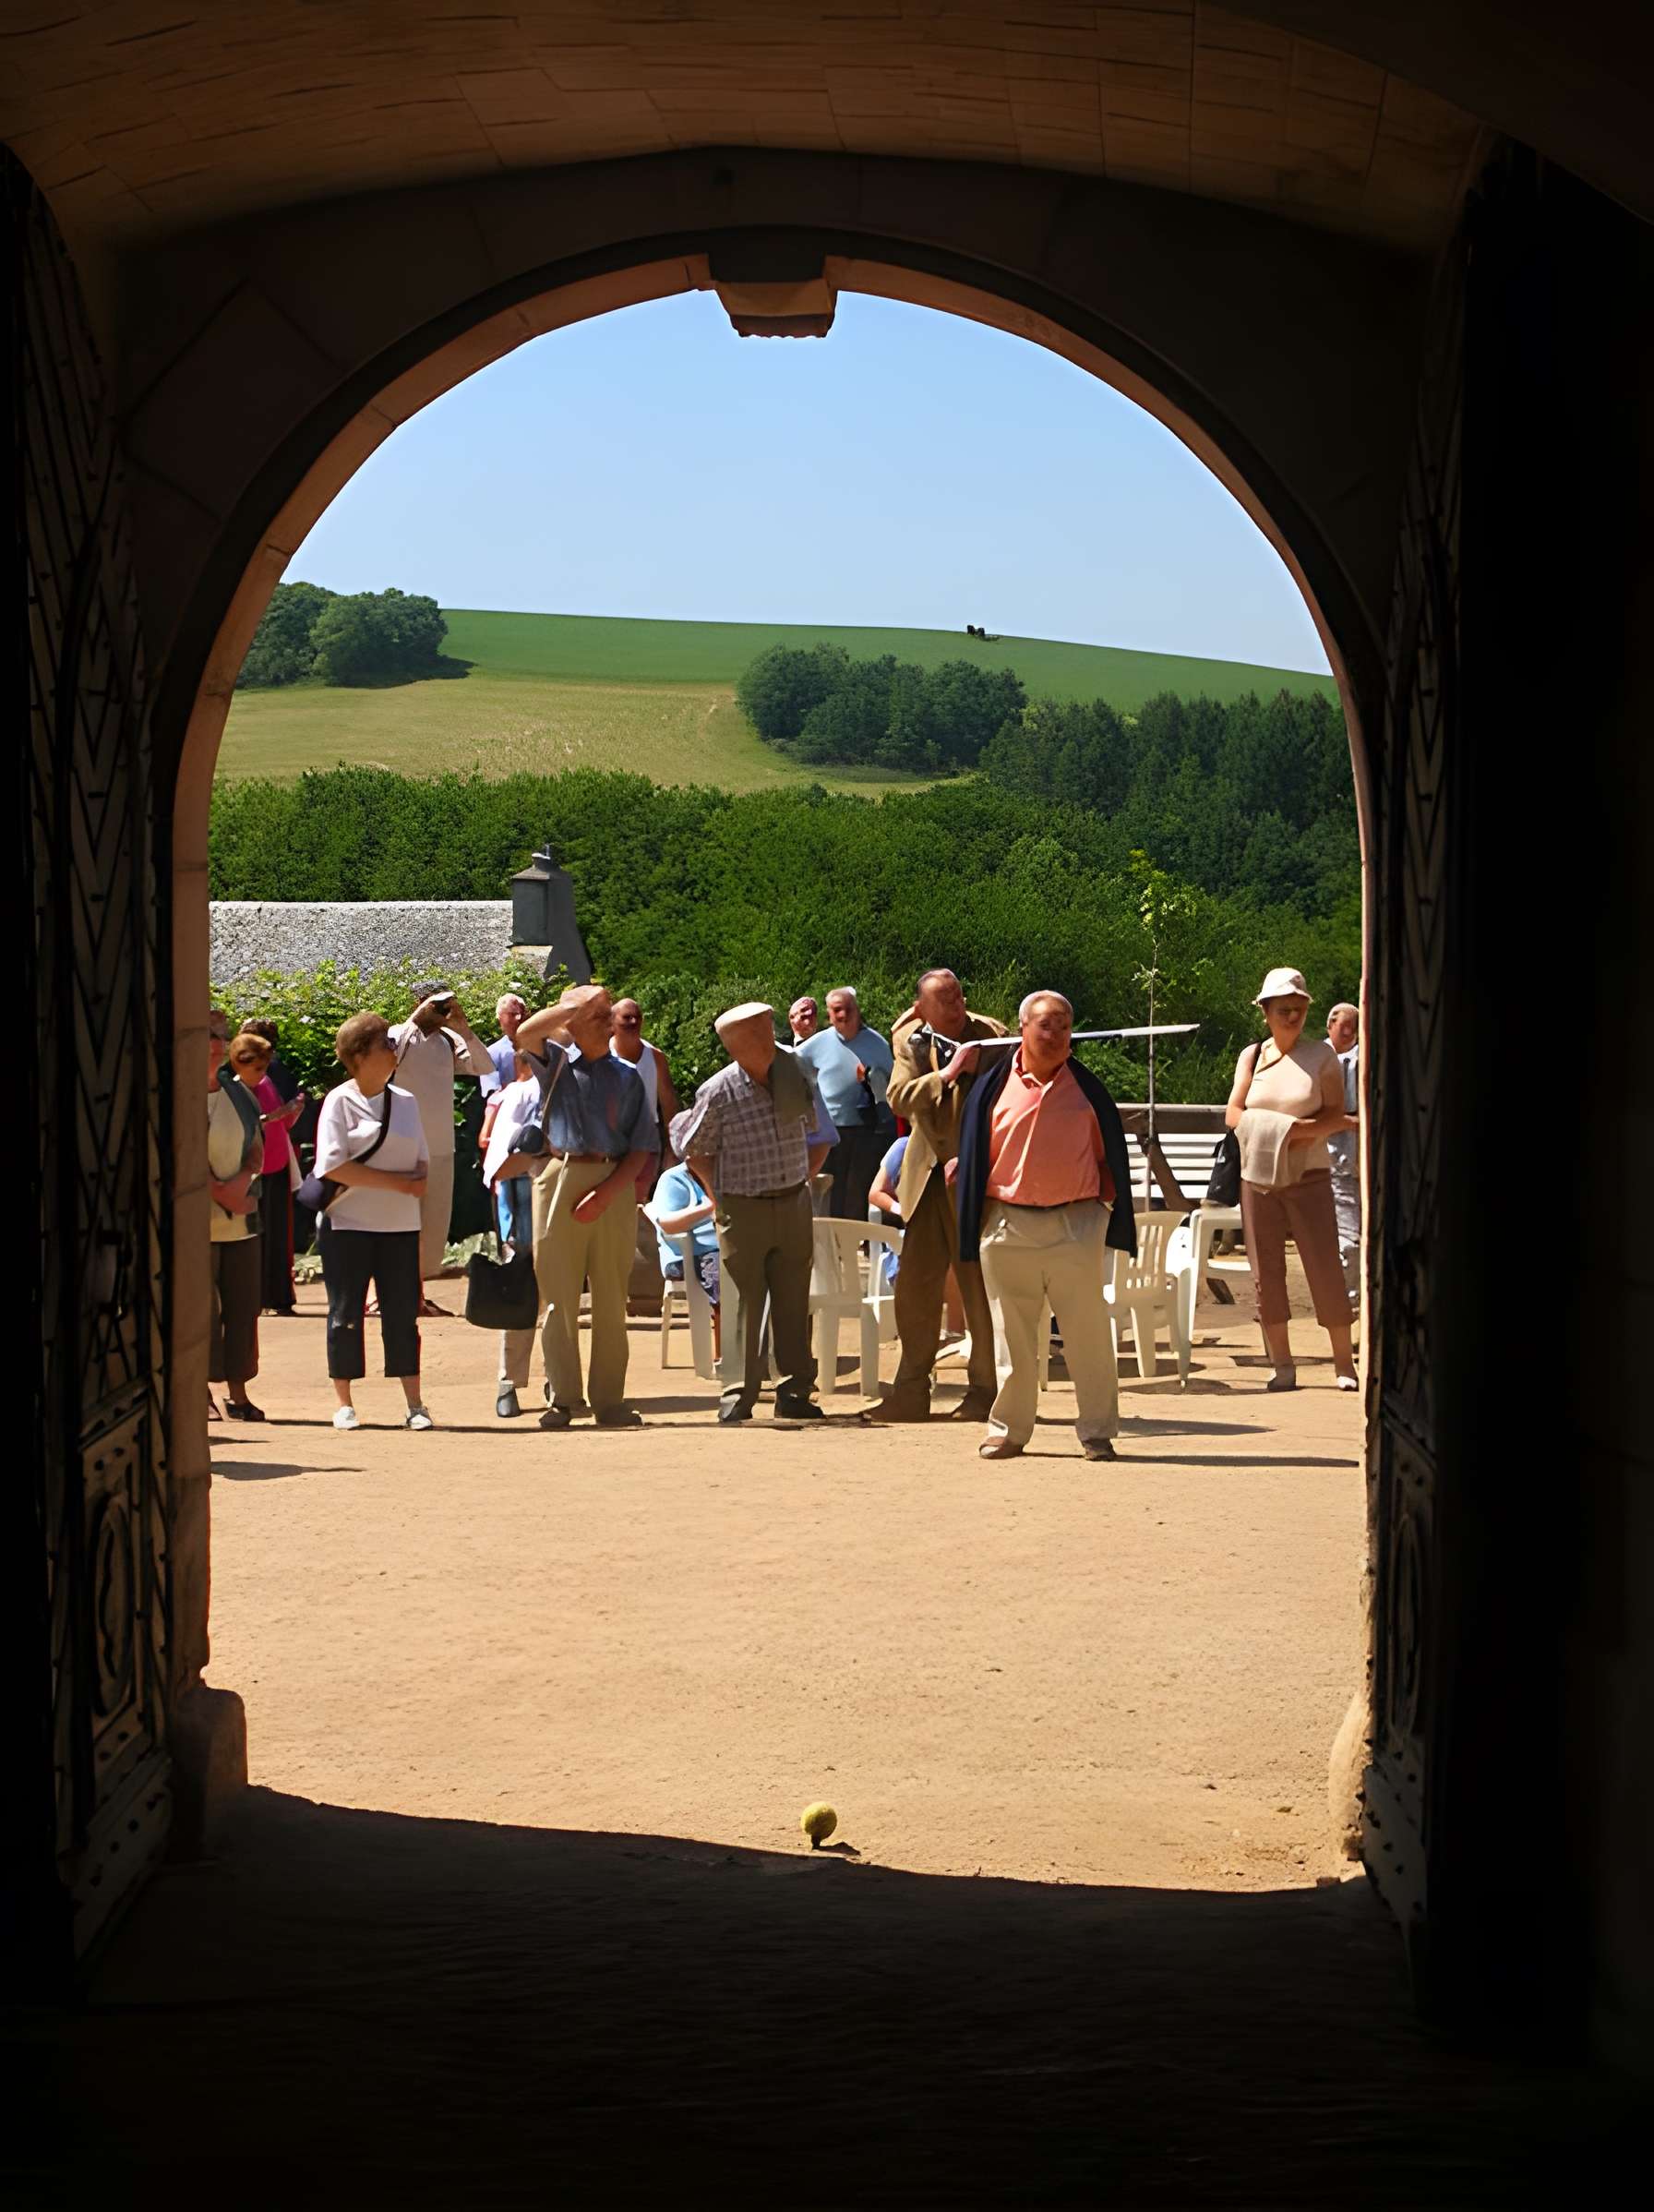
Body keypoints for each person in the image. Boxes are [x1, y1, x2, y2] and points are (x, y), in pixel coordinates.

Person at [955, 991, 1137, 1462]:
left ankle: (1097, 1432)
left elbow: (1110, 1159)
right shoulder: (993, 1087)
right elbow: (975, 1151)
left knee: (1087, 1334)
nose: (1055, 1035)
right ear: (1023, 1028)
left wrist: (1097, 1213)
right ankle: (1008, 1432)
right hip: (1007, 1223)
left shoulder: (1087, 1091)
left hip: (1074, 1224)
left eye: (1063, 1026)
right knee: (1011, 1336)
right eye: (1045, 1025)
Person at [669, 1002, 834, 1426]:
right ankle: (737, 1394)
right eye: (759, 1033)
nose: (769, 1039)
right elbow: (692, 1148)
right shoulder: (719, 1091)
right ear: (736, 1045)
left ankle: (794, 1392)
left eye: (768, 1029)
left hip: (793, 1200)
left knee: (794, 1300)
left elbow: (814, 1130)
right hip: (742, 1207)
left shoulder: (794, 1072)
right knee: (742, 1301)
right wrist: (718, 1196)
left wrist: (799, 1180)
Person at [510, 983, 654, 1429]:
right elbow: (525, 1034)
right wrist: (573, 1005)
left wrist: (607, 1194)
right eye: (596, 1014)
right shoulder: (554, 1064)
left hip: (614, 1180)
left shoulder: (628, 1076)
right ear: (571, 1020)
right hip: (560, 1174)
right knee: (558, 1298)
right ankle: (564, 1399)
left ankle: (610, 1401)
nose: (605, 1020)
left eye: (606, 1013)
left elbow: (642, 1147)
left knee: (611, 1297)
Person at [867, 968, 1005, 1424]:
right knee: (914, 1287)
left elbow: (1010, 1099)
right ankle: (910, 1392)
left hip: (973, 1180)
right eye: (944, 1001)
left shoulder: (992, 1037)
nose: (956, 1006)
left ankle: (985, 1391)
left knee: (976, 1287)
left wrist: (974, 1154)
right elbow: (899, 1098)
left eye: (959, 996)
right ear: (921, 1008)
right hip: (925, 1179)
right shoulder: (911, 1041)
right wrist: (946, 1074)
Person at [1225, 968, 1359, 1392]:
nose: (1293, 1016)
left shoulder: (1322, 1056)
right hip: (1258, 1176)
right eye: (1284, 1009)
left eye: (1299, 1008)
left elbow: (1335, 1117)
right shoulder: (1251, 1056)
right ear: (1265, 1011)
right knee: (1266, 1271)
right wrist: (1291, 1129)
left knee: (1325, 1267)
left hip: (1309, 1174)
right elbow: (1234, 1115)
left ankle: (1344, 1363)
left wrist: (1289, 1132)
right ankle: (1282, 1364)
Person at [313, 1011, 434, 1430]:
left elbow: (421, 1160)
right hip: (347, 1224)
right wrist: (398, 1184)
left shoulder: (406, 1101)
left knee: (403, 1315)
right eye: (386, 1043)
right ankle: (345, 1404)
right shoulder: (338, 1101)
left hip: (400, 1225)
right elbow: (333, 1167)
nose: (394, 1049)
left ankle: (415, 1404)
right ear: (360, 1054)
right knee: (345, 1313)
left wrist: (410, 1184)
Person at [388, 980, 496, 1311]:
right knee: (398, 1223)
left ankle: (416, 1296)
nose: (440, 1012)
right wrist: (416, 1019)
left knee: (432, 1227)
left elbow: (484, 1066)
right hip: (402, 1144)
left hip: (440, 1145)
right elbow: (389, 1061)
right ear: (418, 1002)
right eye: (435, 1004)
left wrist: (463, 1028)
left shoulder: (449, 1041)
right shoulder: (397, 1034)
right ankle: (389, 1295)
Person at [207, 1009, 265, 1422]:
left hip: (241, 1222)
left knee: (243, 1309)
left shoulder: (240, 1093)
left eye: (220, 1036)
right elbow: (179, 1150)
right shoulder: (178, 1094)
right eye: (207, 1035)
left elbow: (256, 1150)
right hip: (195, 1225)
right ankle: (199, 1394)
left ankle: (237, 1393)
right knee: (200, 1313)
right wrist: (220, 1193)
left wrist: (241, 1183)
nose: (215, 1043)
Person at [796, 986, 895, 1220]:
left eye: (848, 1008)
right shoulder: (817, 1043)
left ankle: (856, 1236)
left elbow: (893, 1084)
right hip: (828, 1130)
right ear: (829, 1014)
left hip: (867, 1130)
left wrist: (871, 1079)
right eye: (837, 1010)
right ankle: (829, 1236)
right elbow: (794, 1069)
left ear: (857, 1009)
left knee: (858, 1191)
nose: (844, 1014)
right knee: (828, 1190)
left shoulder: (877, 1044)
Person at [480, 1050, 543, 1418]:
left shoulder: (573, 1085)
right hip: (522, 1211)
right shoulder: (518, 1094)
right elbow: (501, 1162)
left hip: (563, 1205)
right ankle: (508, 1383)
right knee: (520, 1297)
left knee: (558, 1302)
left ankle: (559, 1383)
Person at [226, 1028, 305, 1316]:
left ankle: (280, 1297)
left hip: (277, 1164)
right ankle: (258, 1298)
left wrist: (292, 1112)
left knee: (278, 1236)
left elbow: (281, 1123)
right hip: (253, 1170)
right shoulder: (233, 1090)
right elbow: (245, 1123)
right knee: (256, 1236)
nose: (262, 1073)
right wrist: (278, 1115)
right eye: (257, 1067)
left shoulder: (266, 1081)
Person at [651, 1158, 722, 1360]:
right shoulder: (674, 1178)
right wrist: (709, 1207)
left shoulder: (731, 1173)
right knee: (722, 1274)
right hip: (687, 1252)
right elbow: (668, 1224)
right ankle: (724, 1356)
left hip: (725, 1247)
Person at [610, 996, 681, 1176]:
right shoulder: (602, 1055)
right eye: (627, 1017)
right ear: (612, 1022)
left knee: (642, 1190)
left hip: (646, 1137)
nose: (634, 1021)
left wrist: (671, 1150)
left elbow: (669, 1106)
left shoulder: (656, 1057)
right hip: (611, 1138)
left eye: (637, 1017)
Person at [1326, 1001, 1361, 1310]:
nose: (1349, 1032)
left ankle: (1353, 1302)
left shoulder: (1363, 1057)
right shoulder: (1318, 1058)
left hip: (1359, 1164)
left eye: (1354, 1026)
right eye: (1344, 1025)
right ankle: (1347, 1305)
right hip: (1331, 1163)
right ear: (1330, 1025)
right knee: (1345, 1241)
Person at [481, 992, 529, 1097]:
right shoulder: (491, 1053)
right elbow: (493, 1096)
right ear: (500, 1019)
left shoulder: (540, 1044)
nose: (519, 1018)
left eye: (523, 1013)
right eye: (513, 1014)